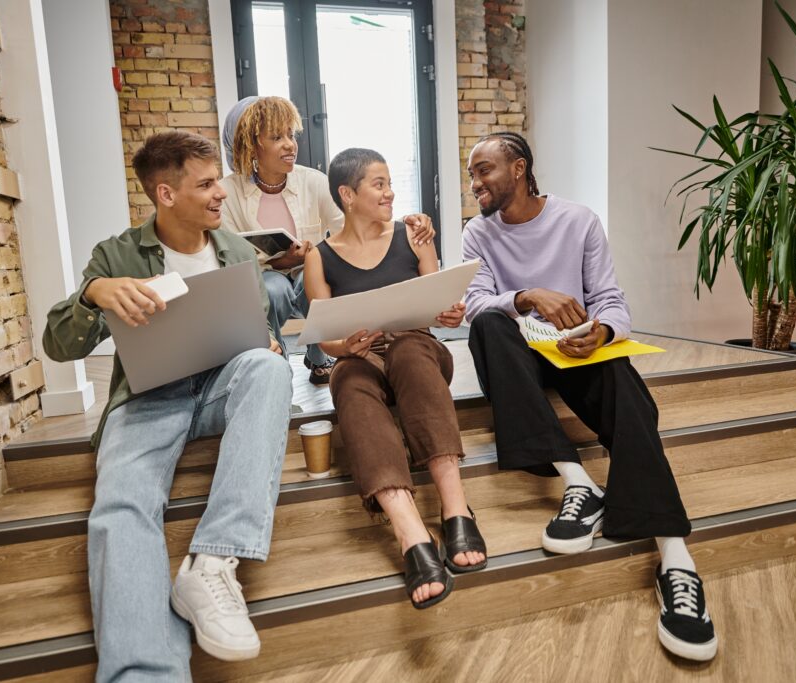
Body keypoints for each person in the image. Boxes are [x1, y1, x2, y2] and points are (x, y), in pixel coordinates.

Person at [43, 131, 292, 680]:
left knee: (271, 369)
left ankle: (214, 563)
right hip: (148, 398)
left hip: (222, 387)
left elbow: (262, 330)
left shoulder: (234, 250)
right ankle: (144, 671)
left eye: (217, 182)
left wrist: (266, 339)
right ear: (165, 193)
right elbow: (59, 345)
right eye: (205, 185)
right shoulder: (117, 254)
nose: (220, 194)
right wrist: (93, 293)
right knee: (123, 506)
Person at [461, 132, 718, 661]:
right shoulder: (477, 233)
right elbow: (476, 303)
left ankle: (675, 558)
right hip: (514, 357)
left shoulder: (578, 221)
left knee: (626, 384)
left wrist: (601, 332)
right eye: (471, 175)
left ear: (519, 167)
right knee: (488, 321)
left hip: (573, 353)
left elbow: (611, 301)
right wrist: (529, 295)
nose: (476, 184)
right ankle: (576, 479)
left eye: (484, 170)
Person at [302, 148, 487, 610]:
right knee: (349, 381)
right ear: (347, 195)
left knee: (407, 349)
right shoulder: (319, 258)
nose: (390, 193)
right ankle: (410, 532)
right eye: (378, 184)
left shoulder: (414, 235)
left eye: (389, 183)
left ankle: (455, 508)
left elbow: (437, 302)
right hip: (359, 356)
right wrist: (345, 348)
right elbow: (325, 339)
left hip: (418, 350)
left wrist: (448, 312)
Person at [219, 96, 436, 384]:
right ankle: (276, 369)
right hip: (263, 277)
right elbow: (230, 257)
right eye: (277, 137)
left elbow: (354, 223)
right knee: (273, 290)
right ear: (251, 144)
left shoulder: (313, 181)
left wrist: (408, 220)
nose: (290, 145)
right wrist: (277, 260)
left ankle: (321, 354)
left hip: (306, 270)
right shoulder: (227, 192)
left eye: (291, 135)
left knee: (318, 271)